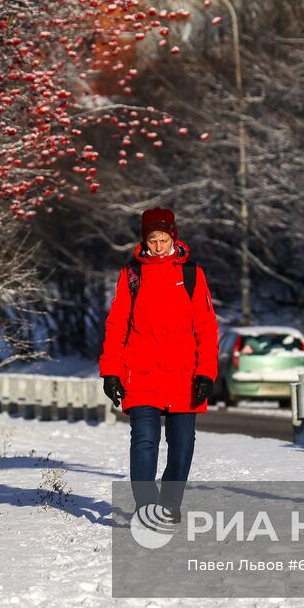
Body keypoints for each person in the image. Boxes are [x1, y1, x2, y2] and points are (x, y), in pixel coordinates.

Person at [99, 207, 218, 521]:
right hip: (142, 372)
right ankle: (147, 505)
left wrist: (207, 370)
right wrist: (111, 370)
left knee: (182, 442)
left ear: (173, 237)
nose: (159, 245)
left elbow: (206, 326)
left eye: (164, 239)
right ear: (144, 240)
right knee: (144, 439)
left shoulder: (192, 273)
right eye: (153, 240)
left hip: (184, 374)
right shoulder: (132, 275)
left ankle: (170, 500)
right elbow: (117, 324)